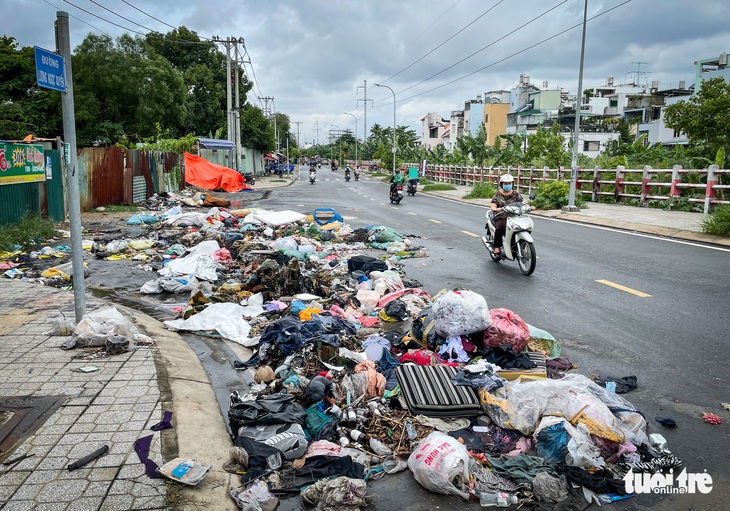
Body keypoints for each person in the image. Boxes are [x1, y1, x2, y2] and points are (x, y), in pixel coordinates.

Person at [489, 174, 527, 255]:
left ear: (512, 184)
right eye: (505, 183)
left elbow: (522, 202)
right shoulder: (498, 194)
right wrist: (496, 209)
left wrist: (529, 207)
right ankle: (497, 246)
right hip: (501, 216)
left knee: (522, 226)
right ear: (501, 184)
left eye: (509, 183)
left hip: (514, 216)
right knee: (501, 227)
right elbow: (493, 205)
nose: (508, 185)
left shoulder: (515, 194)